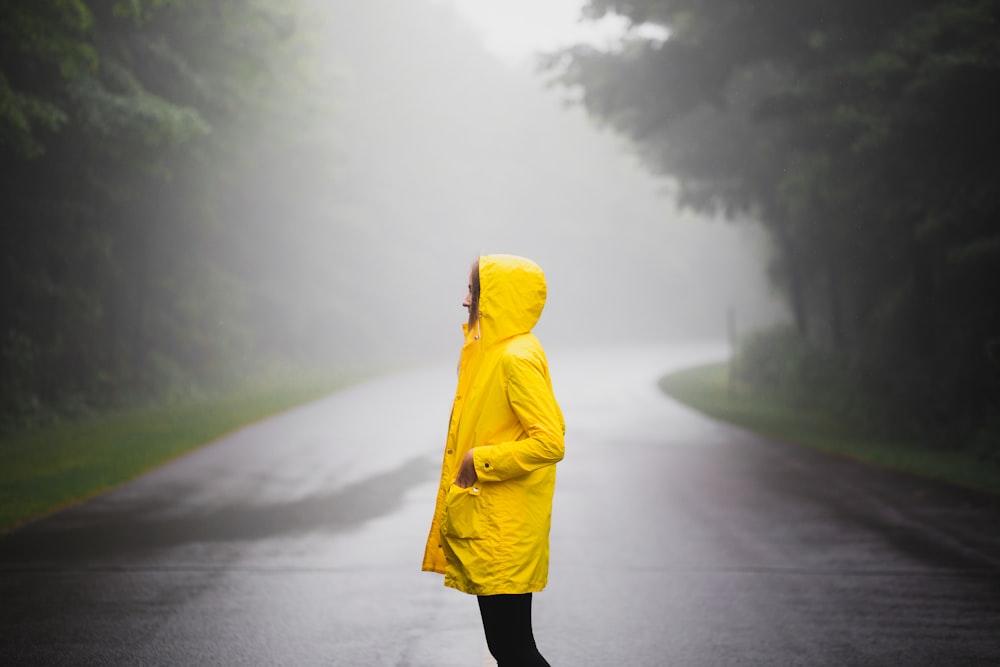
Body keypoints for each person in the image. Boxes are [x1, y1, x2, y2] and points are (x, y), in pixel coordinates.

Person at [422, 254, 565, 667]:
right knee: (508, 648)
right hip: (493, 523)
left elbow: (550, 441)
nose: (465, 301)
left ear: (497, 297)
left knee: (513, 649)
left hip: (505, 529)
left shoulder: (514, 358)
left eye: (473, 290)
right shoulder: (488, 352)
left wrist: (479, 461)